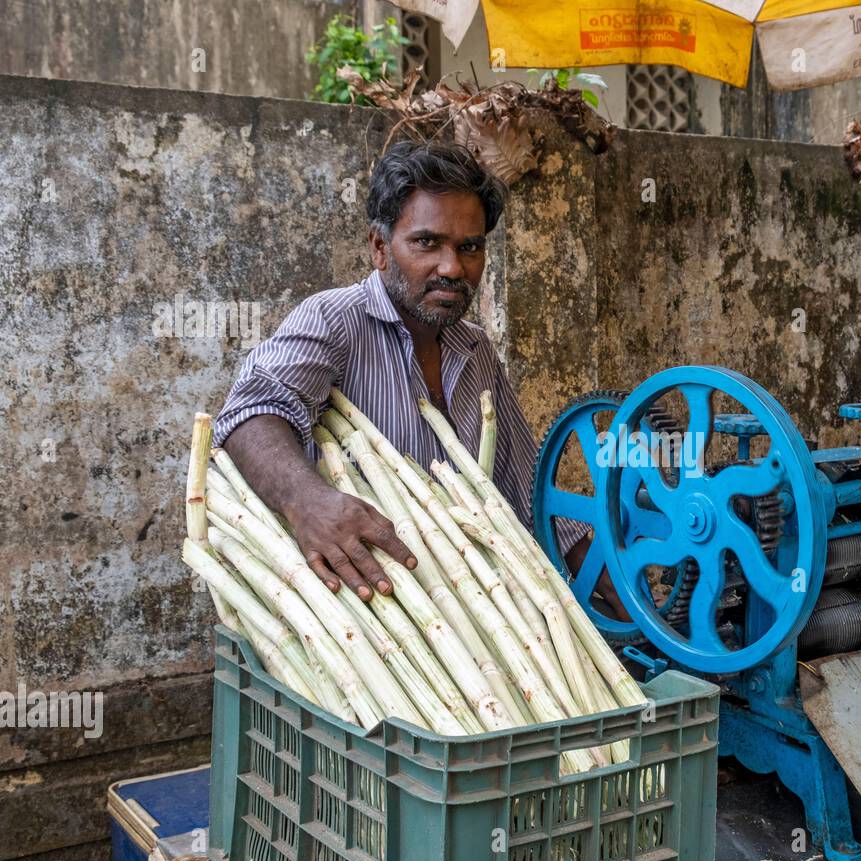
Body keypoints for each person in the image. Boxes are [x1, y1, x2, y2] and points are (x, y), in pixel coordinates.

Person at [214, 141, 617, 612]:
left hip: (469, 605)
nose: (452, 268)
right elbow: (249, 414)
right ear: (380, 248)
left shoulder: (474, 348)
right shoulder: (333, 321)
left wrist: (612, 588)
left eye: (470, 248)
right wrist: (309, 503)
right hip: (365, 605)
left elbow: (524, 486)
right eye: (427, 243)